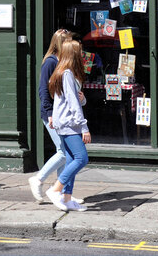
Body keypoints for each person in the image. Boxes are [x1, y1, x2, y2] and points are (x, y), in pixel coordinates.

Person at [28, 29, 85, 205]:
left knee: (67, 154)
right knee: (64, 152)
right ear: (60, 43)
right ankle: (39, 179)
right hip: (54, 116)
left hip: (61, 116)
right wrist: (49, 113)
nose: (70, 44)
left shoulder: (63, 63)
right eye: (67, 41)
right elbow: (43, 90)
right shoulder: (51, 62)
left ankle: (63, 192)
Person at [44, 39, 90, 212]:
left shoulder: (61, 72)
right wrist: (84, 127)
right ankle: (56, 189)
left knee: (71, 159)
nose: (82, 55)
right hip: (69, 124)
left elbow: (69, 100)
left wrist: (82, 99)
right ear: (73, 54)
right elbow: (72, 103)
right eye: (80, 51)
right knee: (81, 158)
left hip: (64, 123)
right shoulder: (67, 74)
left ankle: (67, 198)